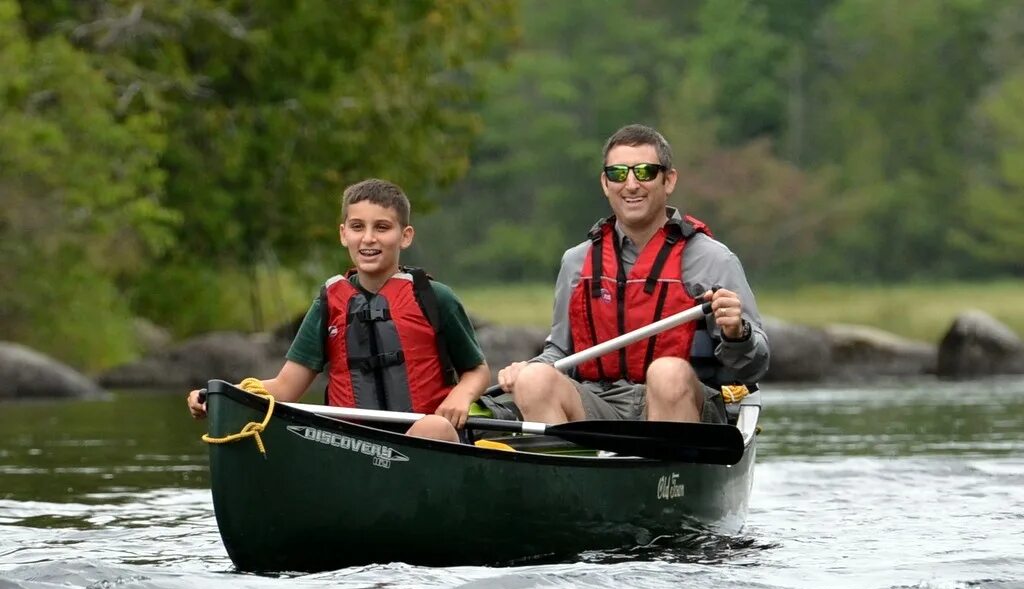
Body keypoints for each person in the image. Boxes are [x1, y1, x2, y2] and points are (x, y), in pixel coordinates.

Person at [496, 123, 769, 425]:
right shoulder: (576, 262)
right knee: (534, 379)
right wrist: (526, 369)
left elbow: (753, 368)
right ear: (605, 183)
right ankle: (572, 470)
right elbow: (560, 352)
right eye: (618, 174)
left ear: (669, 180)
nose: (630, 185)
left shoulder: (714, 259)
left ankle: (667, 470)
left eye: (644, 172)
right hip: (600, 403)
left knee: (666, 373)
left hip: (687, 407)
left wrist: (737, 333)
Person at [187, 178, 490, 442]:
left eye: (382, 227)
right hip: (352, 445)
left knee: (434, 427)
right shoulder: (329, 303)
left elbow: (476, 370)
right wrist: (221, 395)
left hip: (431, 439)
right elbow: (285, 388)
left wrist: (461, 396)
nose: (369, 238)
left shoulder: (435, 298)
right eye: (358, 227)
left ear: (405, 236)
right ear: (344, 233)